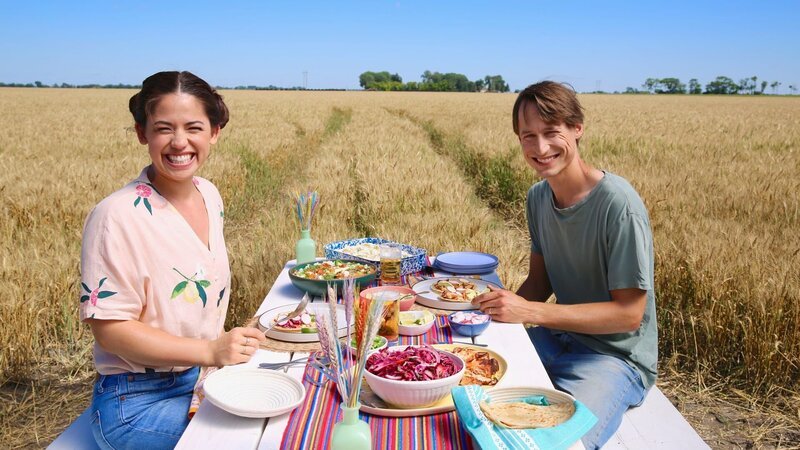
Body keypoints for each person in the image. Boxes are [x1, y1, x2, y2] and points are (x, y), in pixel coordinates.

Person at [79, 71, 266, 449]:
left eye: (193, 127)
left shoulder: (208, 194)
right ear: (142, 133)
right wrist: (210, 350)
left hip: (200, 379)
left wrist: (215, 356)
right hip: (134, 403)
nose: (179, 142)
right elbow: (110, 329)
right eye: (164, 128)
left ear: (214, 132)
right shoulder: (116, 216)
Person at [473, 81, 657, 449]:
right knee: (467, 387)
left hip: (613, 358)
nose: (540, 148)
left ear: (577, 128)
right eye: (528, 136)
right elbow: (539, 284)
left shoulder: (618, 205)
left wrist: (531, 311)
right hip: (557, 339)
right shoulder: (538, 197)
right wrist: (487, 306)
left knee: (555, 443)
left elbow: (627, 315)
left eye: (551, 132)